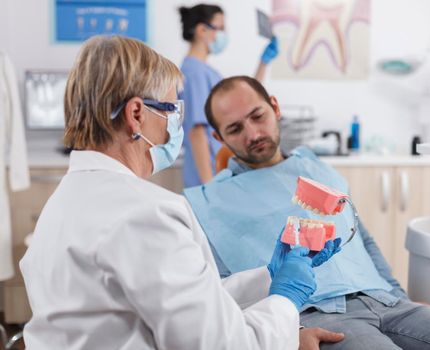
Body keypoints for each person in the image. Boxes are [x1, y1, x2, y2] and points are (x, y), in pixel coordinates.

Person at [19, 36, 342, 350]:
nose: (176, 125)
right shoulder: (145, 212)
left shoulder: (65, 201)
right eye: (171, 109)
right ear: (136, 114)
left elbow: (180, 300)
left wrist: (269, 277)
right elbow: (222, 343)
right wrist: (286, 297)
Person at [184, 75, 430, 350]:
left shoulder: (315, 168)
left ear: (275, 106)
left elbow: (364, 242)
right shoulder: (208, 203)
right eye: (235, 129)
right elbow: (218, 295)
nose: (253, 134)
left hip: (386, 302)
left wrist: (402, 298)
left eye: (257, 116)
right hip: (316, 317)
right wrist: (283, 335)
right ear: (218, 137)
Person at [178, 4, 279, 187]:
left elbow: (246, 102)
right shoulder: (195, 73)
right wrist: (209, 187)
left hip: (219, 173)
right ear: (202, 30)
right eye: (221, 28)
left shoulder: (205, 71)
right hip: (208, 177)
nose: (225, 34)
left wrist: (263, 64)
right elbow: (197, 133)